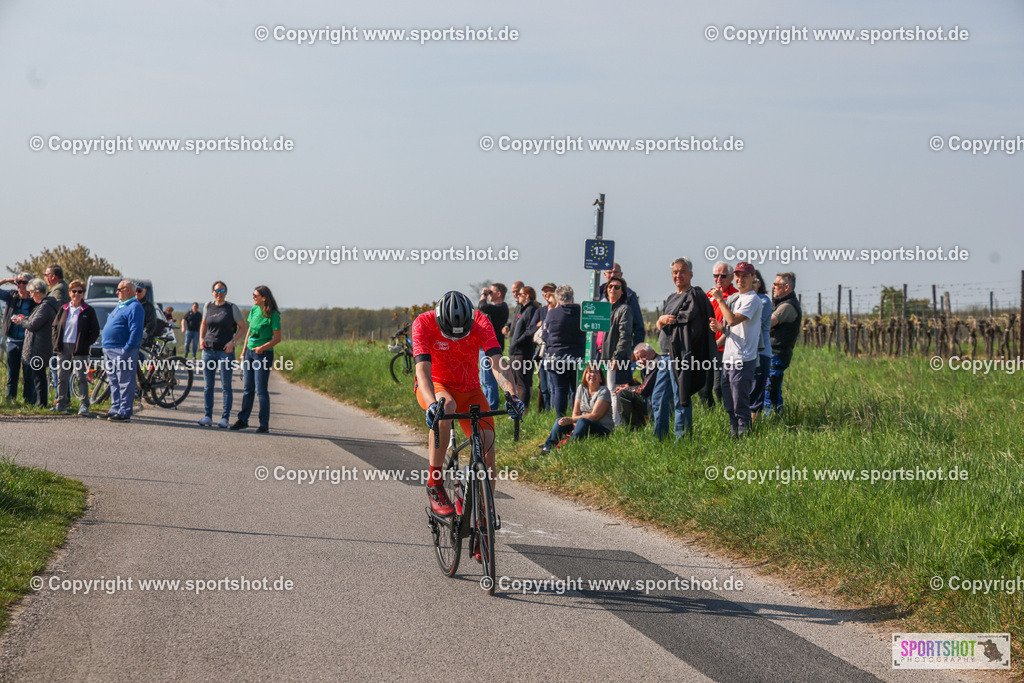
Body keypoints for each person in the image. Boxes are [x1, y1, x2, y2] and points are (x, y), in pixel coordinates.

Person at [413, 290, 522, 523]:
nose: (455, 338)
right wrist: (432, 404)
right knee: (446, 406)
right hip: (437, 386)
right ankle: (435, 484)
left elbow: (497, 363)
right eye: (449, 334)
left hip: (470, 389)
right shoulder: (423, 322)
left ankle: (485, 517)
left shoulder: (482, 321)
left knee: (488, 449)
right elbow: (422, 372)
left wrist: (512, 395)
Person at [652, 257, 715, 439]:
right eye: (675, 272)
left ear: (691, 274)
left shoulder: (695, 296)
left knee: (681, 398)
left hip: (681, 356)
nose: (678, 275)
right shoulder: (672, 298)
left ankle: (682, 440)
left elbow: (690, 325)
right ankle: (660, 439)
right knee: (658, 398)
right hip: (664, 356)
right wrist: (660, 320)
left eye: (682, 271)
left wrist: (665, 321)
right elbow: (662, 325)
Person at [710, 262, 762, 438]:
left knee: (740, 404)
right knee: (729, 405)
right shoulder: (737, 299)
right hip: (729, 358)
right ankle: (735, 437)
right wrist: (720, 329)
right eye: (738, 275)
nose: (740, 279)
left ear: (753, 277)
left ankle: (744, 439)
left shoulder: (753, 299)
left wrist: (719, 300)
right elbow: (731, 329)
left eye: (744, 276)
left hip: (743, 359)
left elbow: (732, 320)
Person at [231, 286, 282, 433]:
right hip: (250, 354)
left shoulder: (273, 315)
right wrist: (244, 350)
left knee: (261, 390)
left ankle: (263, 424)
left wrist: (262, 348)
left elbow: (277, 339)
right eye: (253, 295)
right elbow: (249, 331)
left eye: (255, 295)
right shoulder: (254, 310)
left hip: (263, 354)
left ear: (264, 298)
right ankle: (243, 420)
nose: (253, 297)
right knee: (248, 389)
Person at [198, 281, 245, 428]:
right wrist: (201, 338)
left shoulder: (231, 308)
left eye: (222, 290)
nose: (219, 293)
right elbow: (204, 324)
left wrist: (233, 342)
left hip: (226, 352)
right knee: (208, 386)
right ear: (213, 292)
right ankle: (208, 416)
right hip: (208, 350)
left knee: (226, 386)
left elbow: (243, 328)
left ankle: (225, 418)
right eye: (217, 290)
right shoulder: (208, 306)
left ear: (226, 292)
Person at [539, 363, 614, 454]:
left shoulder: (604, 391)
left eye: (596, 373)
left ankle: (570, 448)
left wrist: (573, 420)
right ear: (585, 376)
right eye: (589, 372)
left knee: (582, 421)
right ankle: (547, 447)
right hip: (582, 424)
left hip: (602, 428)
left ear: (601, 378)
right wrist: (575, 425)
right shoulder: (581, 388)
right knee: (560, 420)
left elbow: (595, 416)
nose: (592, 375)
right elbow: (576, 411)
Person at [98, 280, 145, 421]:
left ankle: (124, 412)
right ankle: (115, 408)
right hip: (109, 349)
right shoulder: (120, 305)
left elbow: (136, 331)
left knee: (125, 381)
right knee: (113, 381)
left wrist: (127, 349)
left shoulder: (135, 307)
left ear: (129, 290)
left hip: (122, 349)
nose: (116, 292)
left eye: (119, 289)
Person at [52, 280, 100, 415]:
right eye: (74, 291)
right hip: (63, 347)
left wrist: (85, 344)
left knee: (81, 377)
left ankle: (84, 405)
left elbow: (95, 331)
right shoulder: (64, 308)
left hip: (80, 349)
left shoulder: (88, 311)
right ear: (69, 293)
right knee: (62, 376)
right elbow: (55, 326)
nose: (77, 294)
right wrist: (56, 341)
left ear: (83, 294)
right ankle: (61, 403)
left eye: (80, 292)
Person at [11, 279, 60, 407]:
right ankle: (40, 401)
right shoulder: (45, 305)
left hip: (39, 346)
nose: (31, 296)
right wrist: (25, 319)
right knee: (38, 375)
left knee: (39, 377)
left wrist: (21, 321)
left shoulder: (45, 306)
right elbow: (35, 322)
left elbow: (33, 325)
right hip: (40, 344)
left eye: (32, 293)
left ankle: (41, 402)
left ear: (38, 292)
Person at [541, 285, 586, 417]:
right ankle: (575, 418)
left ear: (558, 299)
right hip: (578, 357)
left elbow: (544, 335)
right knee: (576, 390)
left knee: (560, 389)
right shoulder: (582, 312)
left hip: (556, 357)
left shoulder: (552, 313)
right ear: (572, 298)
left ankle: (560, 420)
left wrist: (551, 343)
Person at [700, 261, 737, 408]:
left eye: (723, 276)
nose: (719, 279)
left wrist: (718, 343)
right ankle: (710, 414)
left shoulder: (735, 295)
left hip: (725, 348)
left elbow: (733, 325)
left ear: (731, 277)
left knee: (719, 386)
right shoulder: (709, 294)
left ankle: (725, 413)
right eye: (716, 276)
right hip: (709, 346)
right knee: (704, 387)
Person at [766, 272, 802, 415]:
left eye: (776, 284)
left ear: (786, 287)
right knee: (770, 387)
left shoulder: (787, 306)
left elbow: (767, 323)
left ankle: (772, 421)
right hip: (773, 352)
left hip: (777, 353)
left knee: (770, 389)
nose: (773, 287)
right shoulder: (781, 303)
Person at [0, 273, 37, 403]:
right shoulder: (12, 296)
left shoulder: (34, 300)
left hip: (28, 342)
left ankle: (29, 401)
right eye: (19, 282)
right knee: (12, 374)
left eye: (24, 282)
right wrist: (7, 280)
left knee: (28, 374)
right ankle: (10, 400)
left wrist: (25, 320)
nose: (21, 285)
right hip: (12, 341)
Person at [507, 285, 540, 412]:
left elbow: (529, 331)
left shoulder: (531, 309)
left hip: (523, 352)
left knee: (523, 383)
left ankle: (523, 410)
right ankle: (516, 408)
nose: (518, 296)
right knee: (515, 382)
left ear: (527, 296)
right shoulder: (522, 308)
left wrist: (517, 342)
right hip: (515, 351)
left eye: (520, 294)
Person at [477, 283, 509, 409]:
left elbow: (482, 306)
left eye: (492, 291)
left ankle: (490, 406)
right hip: (486, 348)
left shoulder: (501, 307)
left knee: (488, 379)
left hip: (491, 349)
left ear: (499, 294)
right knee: (485, 379)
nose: (489, 293)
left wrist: (484, 294)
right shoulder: (498, 308)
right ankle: (488, 404)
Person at [613, 343, 658, 429]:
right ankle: (637, 428)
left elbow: (644, 389)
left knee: (623, 394)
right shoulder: (646, 365)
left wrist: (627, 389)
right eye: (638, 358)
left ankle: (633, 428)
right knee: (624, 393)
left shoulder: (656, 364)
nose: (641, 360)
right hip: (650, 399)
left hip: (656, 402)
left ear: (652, 352)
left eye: (643, 356)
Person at [600, 262, 645, 345]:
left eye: (616, 272)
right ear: (605, 274)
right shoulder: (598, 294)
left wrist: (636, 348)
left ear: (621, 274)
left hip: (620, 345)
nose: (613, 275)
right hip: (599, 348)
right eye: (610, 272)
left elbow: (638, 325)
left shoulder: (630, 295)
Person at [600, 276, 634, 386]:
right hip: (602, 359)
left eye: (617, 287)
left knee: (614, 392)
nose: (612, 289)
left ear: (622, 292)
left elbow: (625, 336)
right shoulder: (603, 310)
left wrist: (616, 358)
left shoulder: (624, 309)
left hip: (616, 361)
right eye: (610, 286)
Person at [749, 270, 773, 418]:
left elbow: (752, 323)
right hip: (744, 353)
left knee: (755, 394)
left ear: (757, 282)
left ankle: (753, 432)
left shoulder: (763, 301)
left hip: (760, 353)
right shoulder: (738, 300)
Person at [534, 283, 557, 411]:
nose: (547, 296)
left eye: (550, 292)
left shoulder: (556, 316)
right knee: (544, 387)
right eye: (545, 292)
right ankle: (547, 411)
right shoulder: (541, 311)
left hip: (553, 355)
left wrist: (542, 328)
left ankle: (553, 412)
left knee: (552, 386)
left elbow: (544, 336)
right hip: (542, 355)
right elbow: (534, 334)